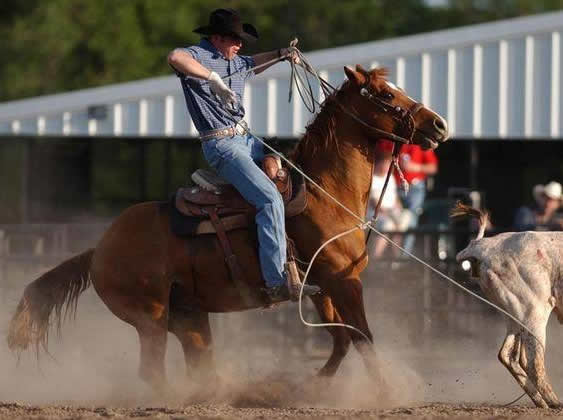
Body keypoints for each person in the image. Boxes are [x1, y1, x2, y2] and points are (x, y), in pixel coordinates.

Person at [167, 8, 319, 301]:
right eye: (234, 40)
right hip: (221, 145)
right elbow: (175, 58)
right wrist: (212, 77)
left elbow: (253, 63)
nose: (239, 45)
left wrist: (282, 53)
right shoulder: (198, 55)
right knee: (269, 198)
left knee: (295, 168)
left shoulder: (236, 60)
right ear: (217, 38)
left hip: (246, 138)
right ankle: (276, 282)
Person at [367, 140, 412, 259]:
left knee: (402, 221)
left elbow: (395, 197)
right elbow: (374, 203)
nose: (386, 167)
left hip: (391, 211)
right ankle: (376, 257)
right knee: (388, 225)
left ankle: (398, 258)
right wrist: (389, 213)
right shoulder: (372, 179)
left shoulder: (390, 178)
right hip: (376, 214)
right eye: (385, 163)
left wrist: (398, 209)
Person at [395, 144, 438, 254]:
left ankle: (404, 256)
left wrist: (415, 167)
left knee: (411, 220)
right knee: (393, 221)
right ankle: (392, 255)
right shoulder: (395, 143)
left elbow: (433, 167)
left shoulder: (420, 143)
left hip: (415, 188)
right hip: (396, 187)